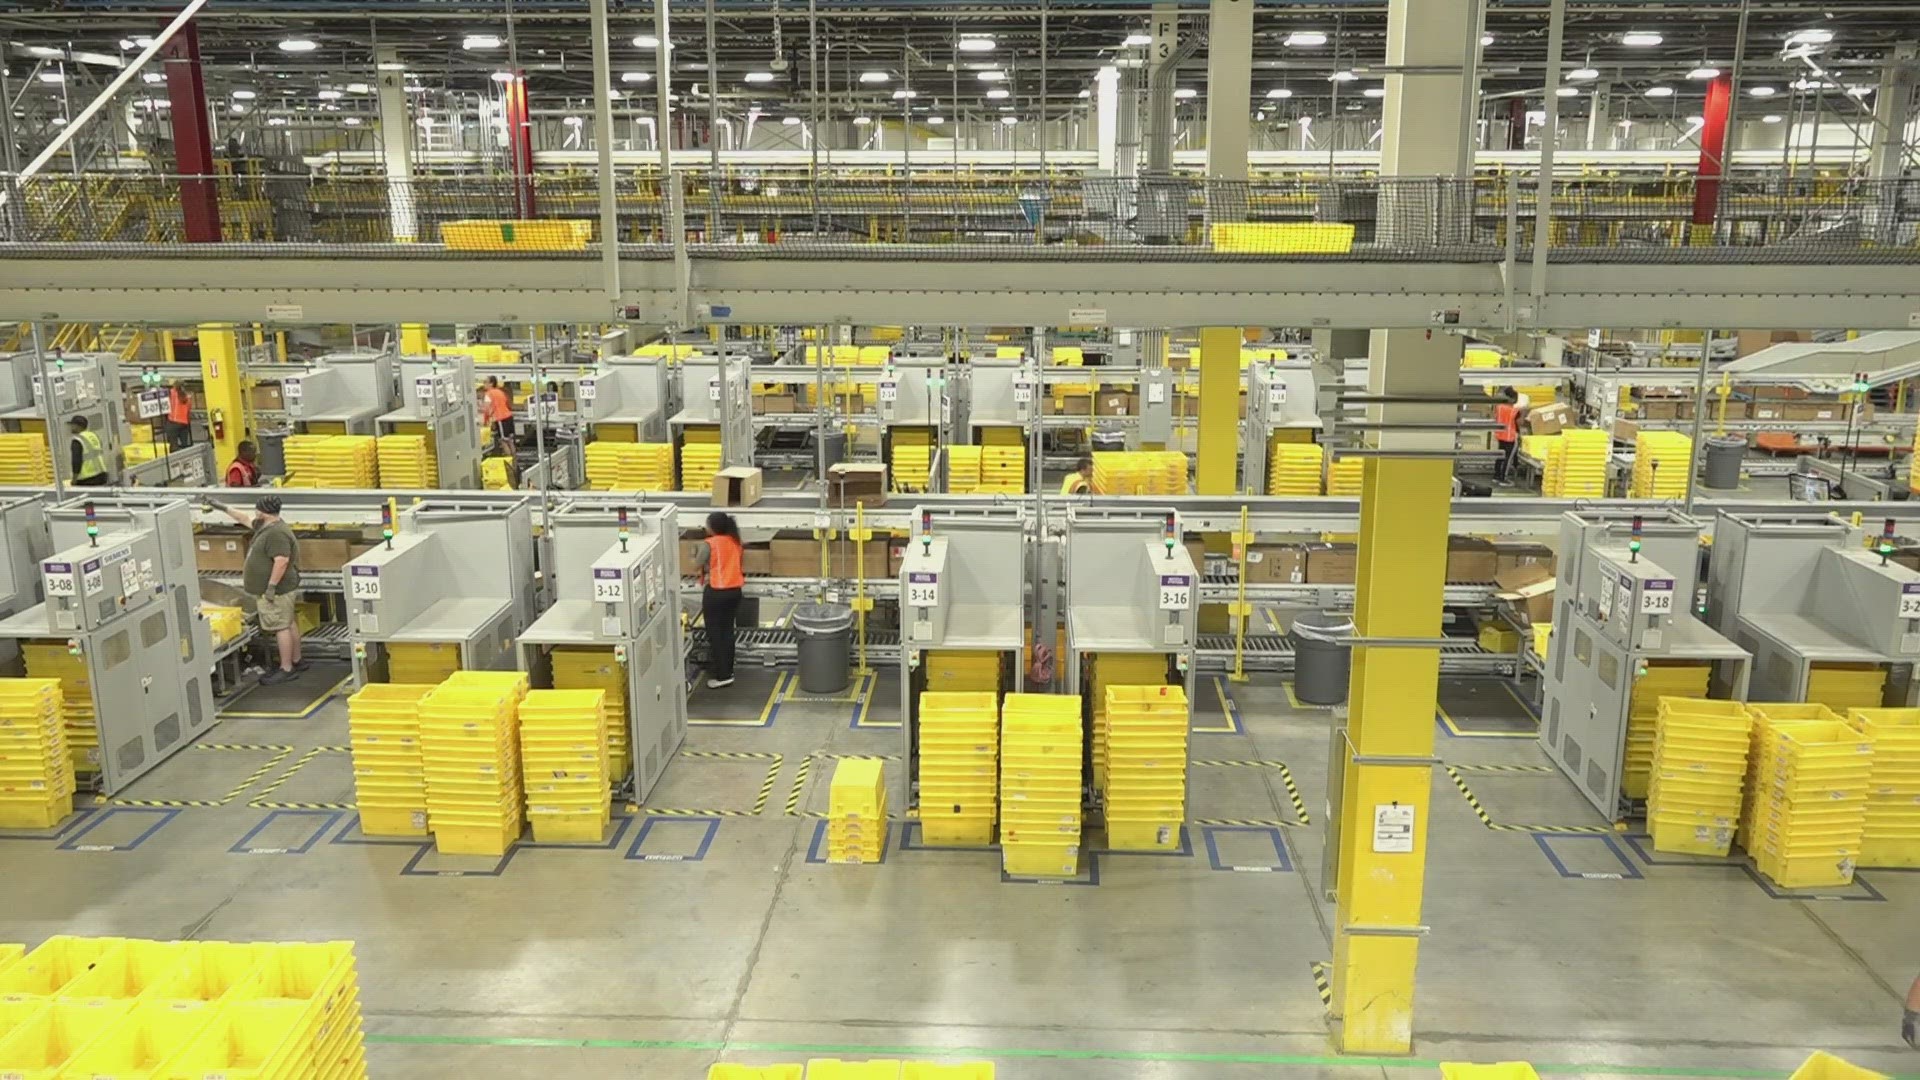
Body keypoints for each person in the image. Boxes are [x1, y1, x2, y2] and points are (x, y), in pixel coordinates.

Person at [210, 494, 305, 685]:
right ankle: (296, 660)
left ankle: (286, 668)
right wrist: (222, 507)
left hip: (277, 591)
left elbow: (281, 561)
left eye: (257, 511)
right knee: (288, 622)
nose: (254, 513)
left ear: (264, 513)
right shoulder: (266, 526)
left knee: (281, 626)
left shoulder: (276, 533)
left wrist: (271, 587)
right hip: (280, 589)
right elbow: (243, 518)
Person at [693, 511, 744, 690]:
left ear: (712, 527)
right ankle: (728, 671)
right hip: (735, 591)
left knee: (715, 634)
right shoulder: (735, 541)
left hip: (717, 592)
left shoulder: (710, 544)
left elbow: (696, 563)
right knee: (727, 632)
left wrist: (695, 552)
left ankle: (722, 675)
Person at [1493, 387, 1528, 484]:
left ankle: (1496, 475)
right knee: (1507, 458)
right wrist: (1523, 414)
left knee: (1500, 456)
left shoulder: (1499, 407)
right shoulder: (1513, 411)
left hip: (1500, 435)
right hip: (1510, 437)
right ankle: (1503, 478)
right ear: (1512, 399)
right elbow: (1519, 422)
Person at [67, 416, 109, 487]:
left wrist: (74, 480)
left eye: (72, 425)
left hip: (87, 479)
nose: (71, 427)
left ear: (78, 426)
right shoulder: (93, 435)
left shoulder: (77, 440)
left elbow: (76, 462)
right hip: (102, 474)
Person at [482, 376, 515, 454]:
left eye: (485, 382)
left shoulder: (489, 394)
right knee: (510, 441)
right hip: (509, 417)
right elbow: (507, 403)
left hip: (501, 419)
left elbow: (486, 409)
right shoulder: (500, 392)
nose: (484, 384)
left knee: (503, 442)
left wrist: (485, 421)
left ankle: (509, 462)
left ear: (491, 383)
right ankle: (514, 461)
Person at [165, 383, 194, 450]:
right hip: (184, 423)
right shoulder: (187, 396)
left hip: (173, 422)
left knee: (173, 446)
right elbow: (189, 409)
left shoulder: (172, 393)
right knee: (185, 445)